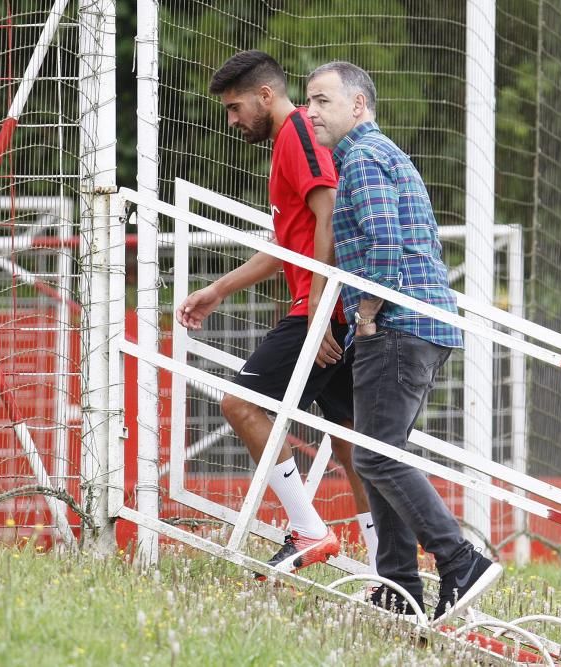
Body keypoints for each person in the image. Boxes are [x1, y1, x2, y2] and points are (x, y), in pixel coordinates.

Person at [304, 60, 503, 623]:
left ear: (358, 106)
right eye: (308, 101)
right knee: (378, 454)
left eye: (322, 101)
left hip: (396, 327)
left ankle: (460, 561)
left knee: (375, 454)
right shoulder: (375, 154)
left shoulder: (363, 158)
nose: (310, 112)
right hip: (418, 326)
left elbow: (385, 245)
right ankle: (398, 586)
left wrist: (366, 315)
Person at [175, 50, 379, 578]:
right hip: (328, 307)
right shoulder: (290, 143)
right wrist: (219, 288)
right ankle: (387, 571)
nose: (232, 120)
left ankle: (309, 530)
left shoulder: (298, 135)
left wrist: (317, 304)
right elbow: (287, 244)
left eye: (235, 107)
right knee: (350, 437)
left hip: (321, 311)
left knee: (239, 404)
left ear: (266, 95)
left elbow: (331, 206)